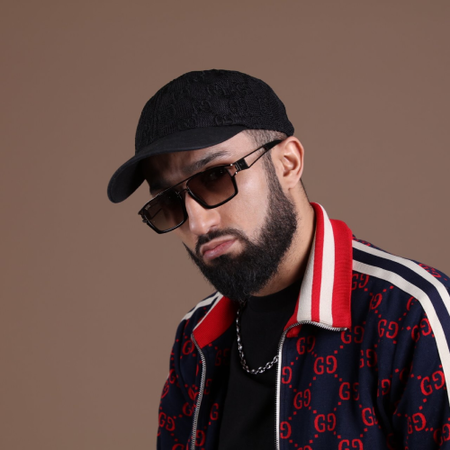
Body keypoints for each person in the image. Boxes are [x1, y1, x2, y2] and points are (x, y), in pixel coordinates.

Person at [107, 69, 450, 450]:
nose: (198, 223)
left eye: (216, 177)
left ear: (288, 163)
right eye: (169, 202)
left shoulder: (412, 314)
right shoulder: (195, 338)